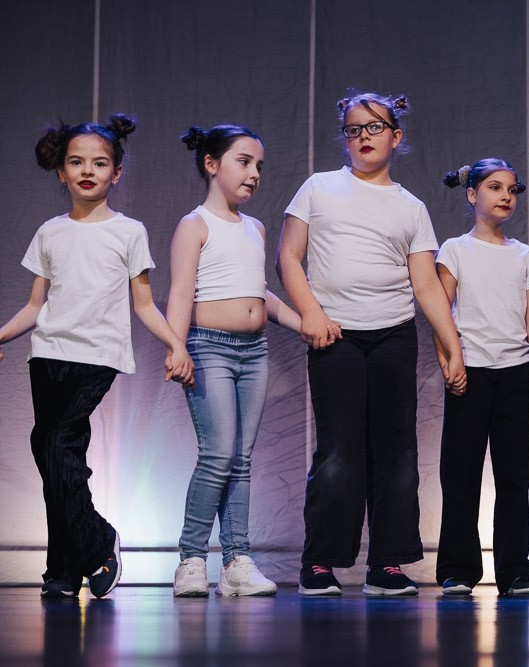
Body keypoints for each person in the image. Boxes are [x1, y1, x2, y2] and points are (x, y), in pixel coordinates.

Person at [277, 91, 466, 596]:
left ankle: (388, 563)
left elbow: (426, 285)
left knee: (396, 451)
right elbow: (289, 257)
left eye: (374, 127)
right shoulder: (319, 187)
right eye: (354, 129)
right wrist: (312, 313)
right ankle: (321, 561)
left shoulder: (411, 207)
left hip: (393, 336)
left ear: (395, 137)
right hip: (335, 334)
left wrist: (453, 347)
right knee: (338, 450)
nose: (363, 137)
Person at [0, 114, 194, 599]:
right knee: (59, 458)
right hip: (47, 355)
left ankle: (98, 539)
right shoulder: (50, 232)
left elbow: (143, 305)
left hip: (98, 356)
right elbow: (35, 307)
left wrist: (175, 343)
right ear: (61, 172)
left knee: (52, 444)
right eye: (76, 162)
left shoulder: (129, 232)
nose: (87, 170)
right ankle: (62, 571)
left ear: (117, 172)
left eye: (100, 163)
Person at [167, 124, 303, 597]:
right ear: (211, 164)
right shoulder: (194, 225)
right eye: (243, 162)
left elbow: (259, 293)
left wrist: (306, 322)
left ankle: (236, 563)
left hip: (254, 351)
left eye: (259, 165)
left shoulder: (255, 228)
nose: (254, 173)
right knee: (218, 454)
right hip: (209, 347)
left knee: (241, 459)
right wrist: (177, 345)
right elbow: (181, 291)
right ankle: (190, 559)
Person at [434, 158, 529, 597]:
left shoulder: (526, 255)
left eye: (512, 190)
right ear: (471, 194)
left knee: (515, 476)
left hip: (515, 373)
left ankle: (515, 570)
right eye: (495, 187)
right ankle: (458, 568)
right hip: (471, 372)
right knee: (460, 474)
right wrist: (449, 362)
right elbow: (441, 313)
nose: (505, 196)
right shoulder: (455, 250)